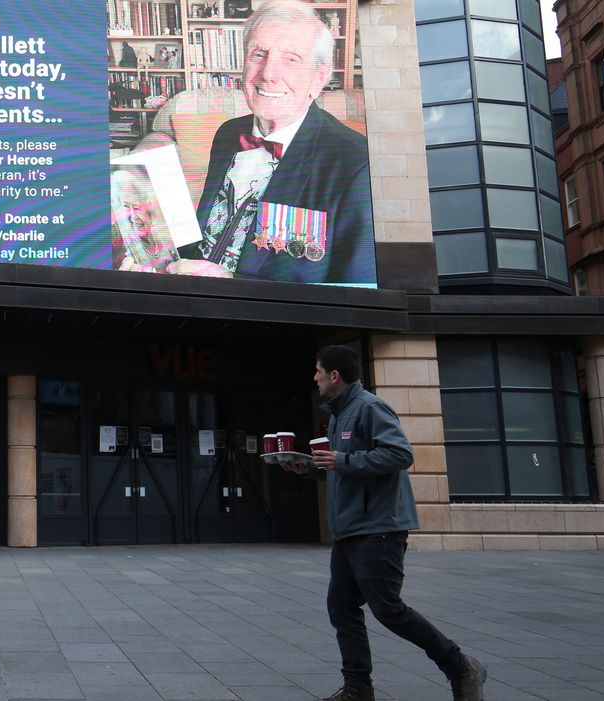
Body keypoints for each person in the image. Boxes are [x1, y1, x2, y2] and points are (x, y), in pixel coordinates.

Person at [282, 345, 487, 701]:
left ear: (334, 376)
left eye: (317, 371)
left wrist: (342, 460)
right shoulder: (338, 415)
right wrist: (310, 468)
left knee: (388, 609)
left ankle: (461, 666)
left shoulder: (370, 407)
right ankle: (358, 689)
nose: (314, 378)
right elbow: (345, 468)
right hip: (350, 530)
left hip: (378, 528)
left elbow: (399, 454)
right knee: (342, 607)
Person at [122, 0, 374, 285]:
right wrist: (157, 260)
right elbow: (209, 234)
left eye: (291, 59)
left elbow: (356, 289)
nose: (268, 74)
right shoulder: (229, 133)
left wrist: (229, 280)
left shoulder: (356, 163)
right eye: (258, 54)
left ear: (319, 77)